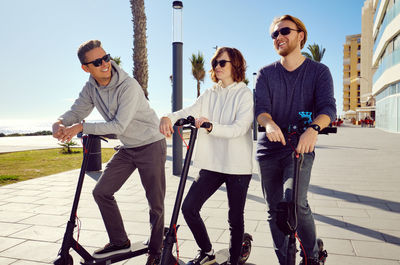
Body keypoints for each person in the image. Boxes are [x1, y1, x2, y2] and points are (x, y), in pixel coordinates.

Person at [52, 40, 166, 265]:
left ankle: (156, 251)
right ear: (86, 68)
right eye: (97, 61)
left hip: (151, 144)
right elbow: (77, 110)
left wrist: (82, 127)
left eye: (106, 57)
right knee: (101, 191)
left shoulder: (128, 86)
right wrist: (60, 122)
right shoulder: (91, 87)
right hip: (128, 147)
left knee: (155, 202)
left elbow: (118, 126)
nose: (105, 63)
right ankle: (119, 241)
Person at [159, 47, 253, 265]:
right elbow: (188, 111)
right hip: (212, 164)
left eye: (223, 63)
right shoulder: (210, 93)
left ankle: (234, 260)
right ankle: (207, 251)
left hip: (237, 166)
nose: (217, 67)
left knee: (235, 217)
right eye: (215, 64)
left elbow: (239, 128)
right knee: (189, 207)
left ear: (235, 65)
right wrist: (168, 117)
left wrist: (211, 127)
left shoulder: (244, 93)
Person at [254, 15, 336, 265]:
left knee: (295, 205)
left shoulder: (319, 72)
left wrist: (313, 129)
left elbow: (328, 109)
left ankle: (312, 255)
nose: (278, 37)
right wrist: (268, 124)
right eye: (274, 34)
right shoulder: (266, 74)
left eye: (284, 31)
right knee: (274, 211)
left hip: (299, 148)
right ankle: (285, 261)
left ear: (301, 35)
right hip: (268, 151)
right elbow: (261, 111)